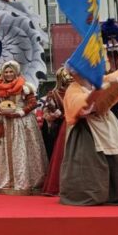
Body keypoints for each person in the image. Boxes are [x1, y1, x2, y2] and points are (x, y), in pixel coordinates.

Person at [60, 69, 118, 206]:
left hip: (109, 122)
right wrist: (94, 96)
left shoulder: (100, 80)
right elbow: (78, 107)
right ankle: (93, 193)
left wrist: (109, 87)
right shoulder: (73, 88)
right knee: (89, 158)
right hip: (88, 126)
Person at [0, 61, 47, 195]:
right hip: (4, 122)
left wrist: (21, 111)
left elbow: (33, 103)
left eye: (11, 72)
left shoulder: (25, 86)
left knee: (22, 150)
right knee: (5, 152)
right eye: (6, 72)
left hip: (22, 123)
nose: (8, 74)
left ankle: (26, 183)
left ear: (16, 72)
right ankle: (7, 182)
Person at [41, 67, 71, 196]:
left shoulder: (81, 90)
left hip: (80, 125)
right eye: (66, 75)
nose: (69, 77)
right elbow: (47, 113)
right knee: (61, 156)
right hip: (61, 128)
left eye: (70, 74)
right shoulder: (54, 94)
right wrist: (57, 114)